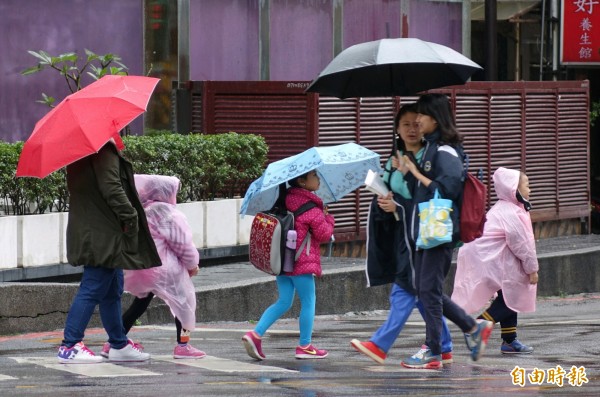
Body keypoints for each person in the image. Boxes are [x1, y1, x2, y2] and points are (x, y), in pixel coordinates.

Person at [350, 104, 453, 365]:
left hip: (422, 236)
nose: (411, 129)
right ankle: (448, 343)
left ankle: (380, 344)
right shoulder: (393, 159)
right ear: (396, 129)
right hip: (400, 235)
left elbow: (426, 198)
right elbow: (389, 191)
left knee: (405, 291)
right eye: (405, 124)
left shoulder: (430, 159)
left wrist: (402, 191)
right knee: (421, 294)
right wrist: (385, 201)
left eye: (416, 123)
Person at [399, 94, 493, 370]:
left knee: (428, 289)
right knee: (425, 289)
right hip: (426, 229)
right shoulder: (431, 148)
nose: (417, 120)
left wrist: (416, 173)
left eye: (423, 116)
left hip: (439, 229)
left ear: (436, 119)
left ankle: (434, 349)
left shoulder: (446, 151)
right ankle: (471, 328)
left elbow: (448, 189)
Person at [57, 139, 161, 363]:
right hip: (101, 233)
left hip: (96, 230)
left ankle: (118, 343)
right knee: (94, 285)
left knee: (113, 288)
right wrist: (130, 216)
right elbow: (111, 187)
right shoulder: (102, 148)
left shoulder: (81, 150)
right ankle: (70, 345)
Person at [100, 174, 205, 359]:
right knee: (184, 303)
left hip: (142, 267)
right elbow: (182, 244)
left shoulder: (140, 210)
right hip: (165, 269)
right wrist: (192, 264)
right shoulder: (166, 212)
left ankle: (113, 342)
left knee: (139, 304)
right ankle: (183, 345)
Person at [242, 170, 335, 360]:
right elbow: (324, 234)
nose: (318, 179)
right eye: (314, 177)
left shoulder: (284, 200)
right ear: (302, 182)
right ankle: (305, 345)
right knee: (309, 301)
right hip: (302, 263)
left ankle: (255, 334)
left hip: (283, 262)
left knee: (284, 301)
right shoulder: (311, 208)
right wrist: (328, 218)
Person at [452, 168, 538, 354]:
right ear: (514, 189)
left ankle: (509, 340)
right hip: (488, 258)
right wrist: (532, 269)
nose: (530, 190)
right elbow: (523, 245)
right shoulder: (512, 213)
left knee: (509, 292)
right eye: (527, 186)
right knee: (516, 291)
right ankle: (477, 326)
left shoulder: (505, 208)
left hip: (483, 256)